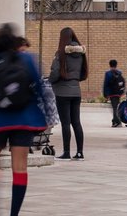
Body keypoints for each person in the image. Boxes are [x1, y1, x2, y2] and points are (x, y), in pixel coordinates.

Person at [0, 23, 46, 216]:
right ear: (14, 42)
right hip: (23, 120)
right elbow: (39, 87)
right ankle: (14, 213)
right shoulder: (28, 59)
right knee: (20, 168)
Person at [49, 27, 87, 161]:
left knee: (66, 123)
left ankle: (66, 152)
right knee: (76, 122)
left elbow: (55, 72)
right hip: (76, 91)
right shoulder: (82, 53)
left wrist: (50, 80)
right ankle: (80, 152)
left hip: (62, 92)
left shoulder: (61, 54)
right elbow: (83, 72)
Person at [103, 59, 126, 127]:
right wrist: (122, 91)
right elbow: (122, 82)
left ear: (110, 65)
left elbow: (106, 84)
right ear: (116, 64)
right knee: (115, 107)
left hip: (112, 93)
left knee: (114, 108)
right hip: (118, 93)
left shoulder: (108, 73)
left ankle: (117, 121)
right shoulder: (119, 72)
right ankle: (114, 121)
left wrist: (105, 94)